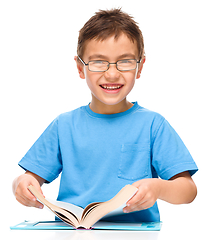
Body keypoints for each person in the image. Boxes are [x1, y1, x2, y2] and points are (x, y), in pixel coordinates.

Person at [12, 8, 198, 223]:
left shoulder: (153, 125)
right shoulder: (64, 125)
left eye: (125, 61)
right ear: (80, 68)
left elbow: (188, 190)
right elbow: (28, 178)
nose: (111, 73)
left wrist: (158, 188)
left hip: (135, 237)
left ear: (140, 67)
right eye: (98, 62)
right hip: (73, 235)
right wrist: (21, 184)